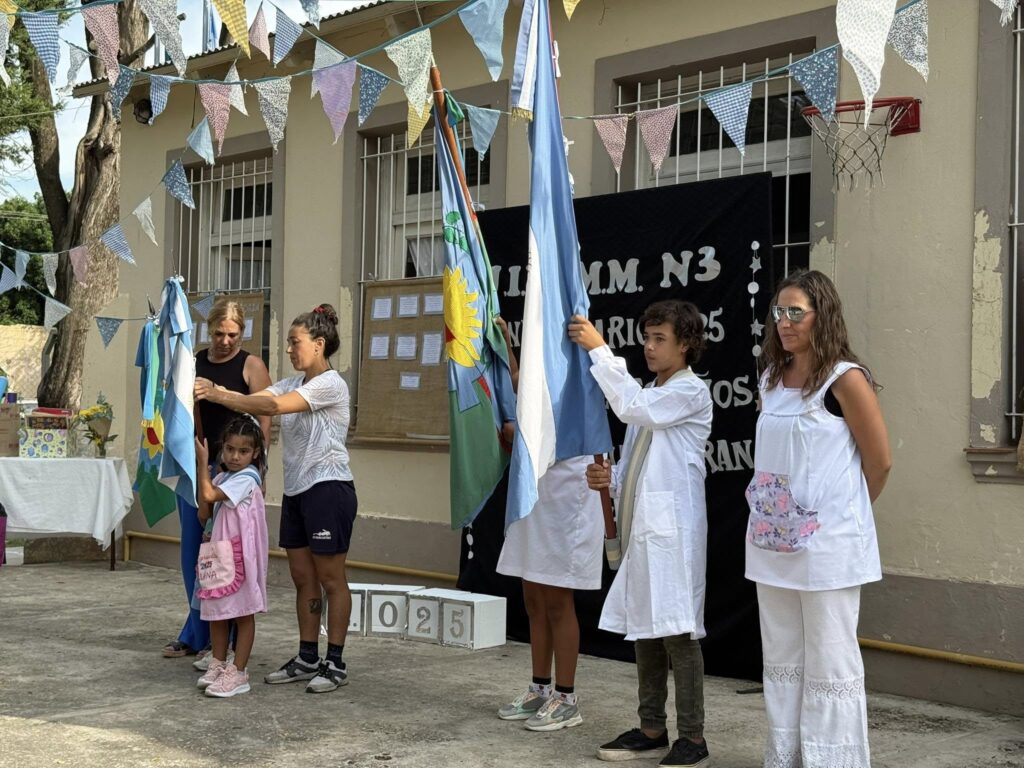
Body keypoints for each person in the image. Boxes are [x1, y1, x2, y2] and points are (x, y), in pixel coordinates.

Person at [745, 270, 890, 768]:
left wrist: (838, 518)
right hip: (770, 543)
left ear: (820, 315)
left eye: (795, 312)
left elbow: (880, 461)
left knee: (830, 657)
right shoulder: (769, 378)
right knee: (783, 657)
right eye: (778, 312)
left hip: (827, 550)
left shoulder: (845, 378)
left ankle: (834, 760)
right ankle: (787, 757)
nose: (784, 322)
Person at [569, 300, 713, 768]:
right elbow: (636, 464)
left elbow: (632, 408)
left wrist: (599, 351)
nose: (649, 348)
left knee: (678, 630)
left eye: (659, 340)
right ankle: (652, 726)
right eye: (646, 338)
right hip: (644, 527)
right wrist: (608, 482)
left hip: (672, 530)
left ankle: (693, 737)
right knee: (646, 628)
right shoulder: (653, 389)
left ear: (686, 344)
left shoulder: (690, 392)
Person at [194, 303, 356, 695]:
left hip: (329, 488)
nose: (288, 349)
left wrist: (216, 393)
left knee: (330, 578)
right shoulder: (292, 381)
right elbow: (259, 395)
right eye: (287, 342)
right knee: (302, 578)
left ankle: (334, 661)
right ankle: (306, 655)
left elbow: (268, 406)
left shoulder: (329, 384)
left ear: (318, 345)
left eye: (294, 342)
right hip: (298, 492)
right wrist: (207, 391)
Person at [493, 317, 603, 732]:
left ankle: (567, 697)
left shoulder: (587, 372)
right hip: (534, 486)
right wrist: (505, 345)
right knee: (533, 596)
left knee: (558, 600)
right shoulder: (539, 370)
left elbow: (558, 420)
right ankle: (540, 688)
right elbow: (523, 387)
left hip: (568, 489)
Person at [163, 299, 271, 661]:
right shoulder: (195, 361)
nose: (225, 341)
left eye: (233, 335)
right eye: (218, 334)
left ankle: (233, 634)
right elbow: (187, 413)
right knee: (196, 553)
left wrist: (260, 473)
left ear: (243, 332)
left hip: (237, 475)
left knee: (233, 555)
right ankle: (197, 632)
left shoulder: (251, 365)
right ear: (207, 331)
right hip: (201, 467)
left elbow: (264, 417)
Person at [193, 415, 269, 698]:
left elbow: (210, 495)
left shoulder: (247, 479)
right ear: (222, 448)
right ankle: (218, 661)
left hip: (240, 557)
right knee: (218, 612)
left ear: (256, 454)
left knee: (242, 612)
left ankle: (238, 671)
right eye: (230, 450)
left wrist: (203, 463)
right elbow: (204, 511)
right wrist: (210, 474)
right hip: (219, 554)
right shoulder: (225, 477)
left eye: (243, 451)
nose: (235, 457)